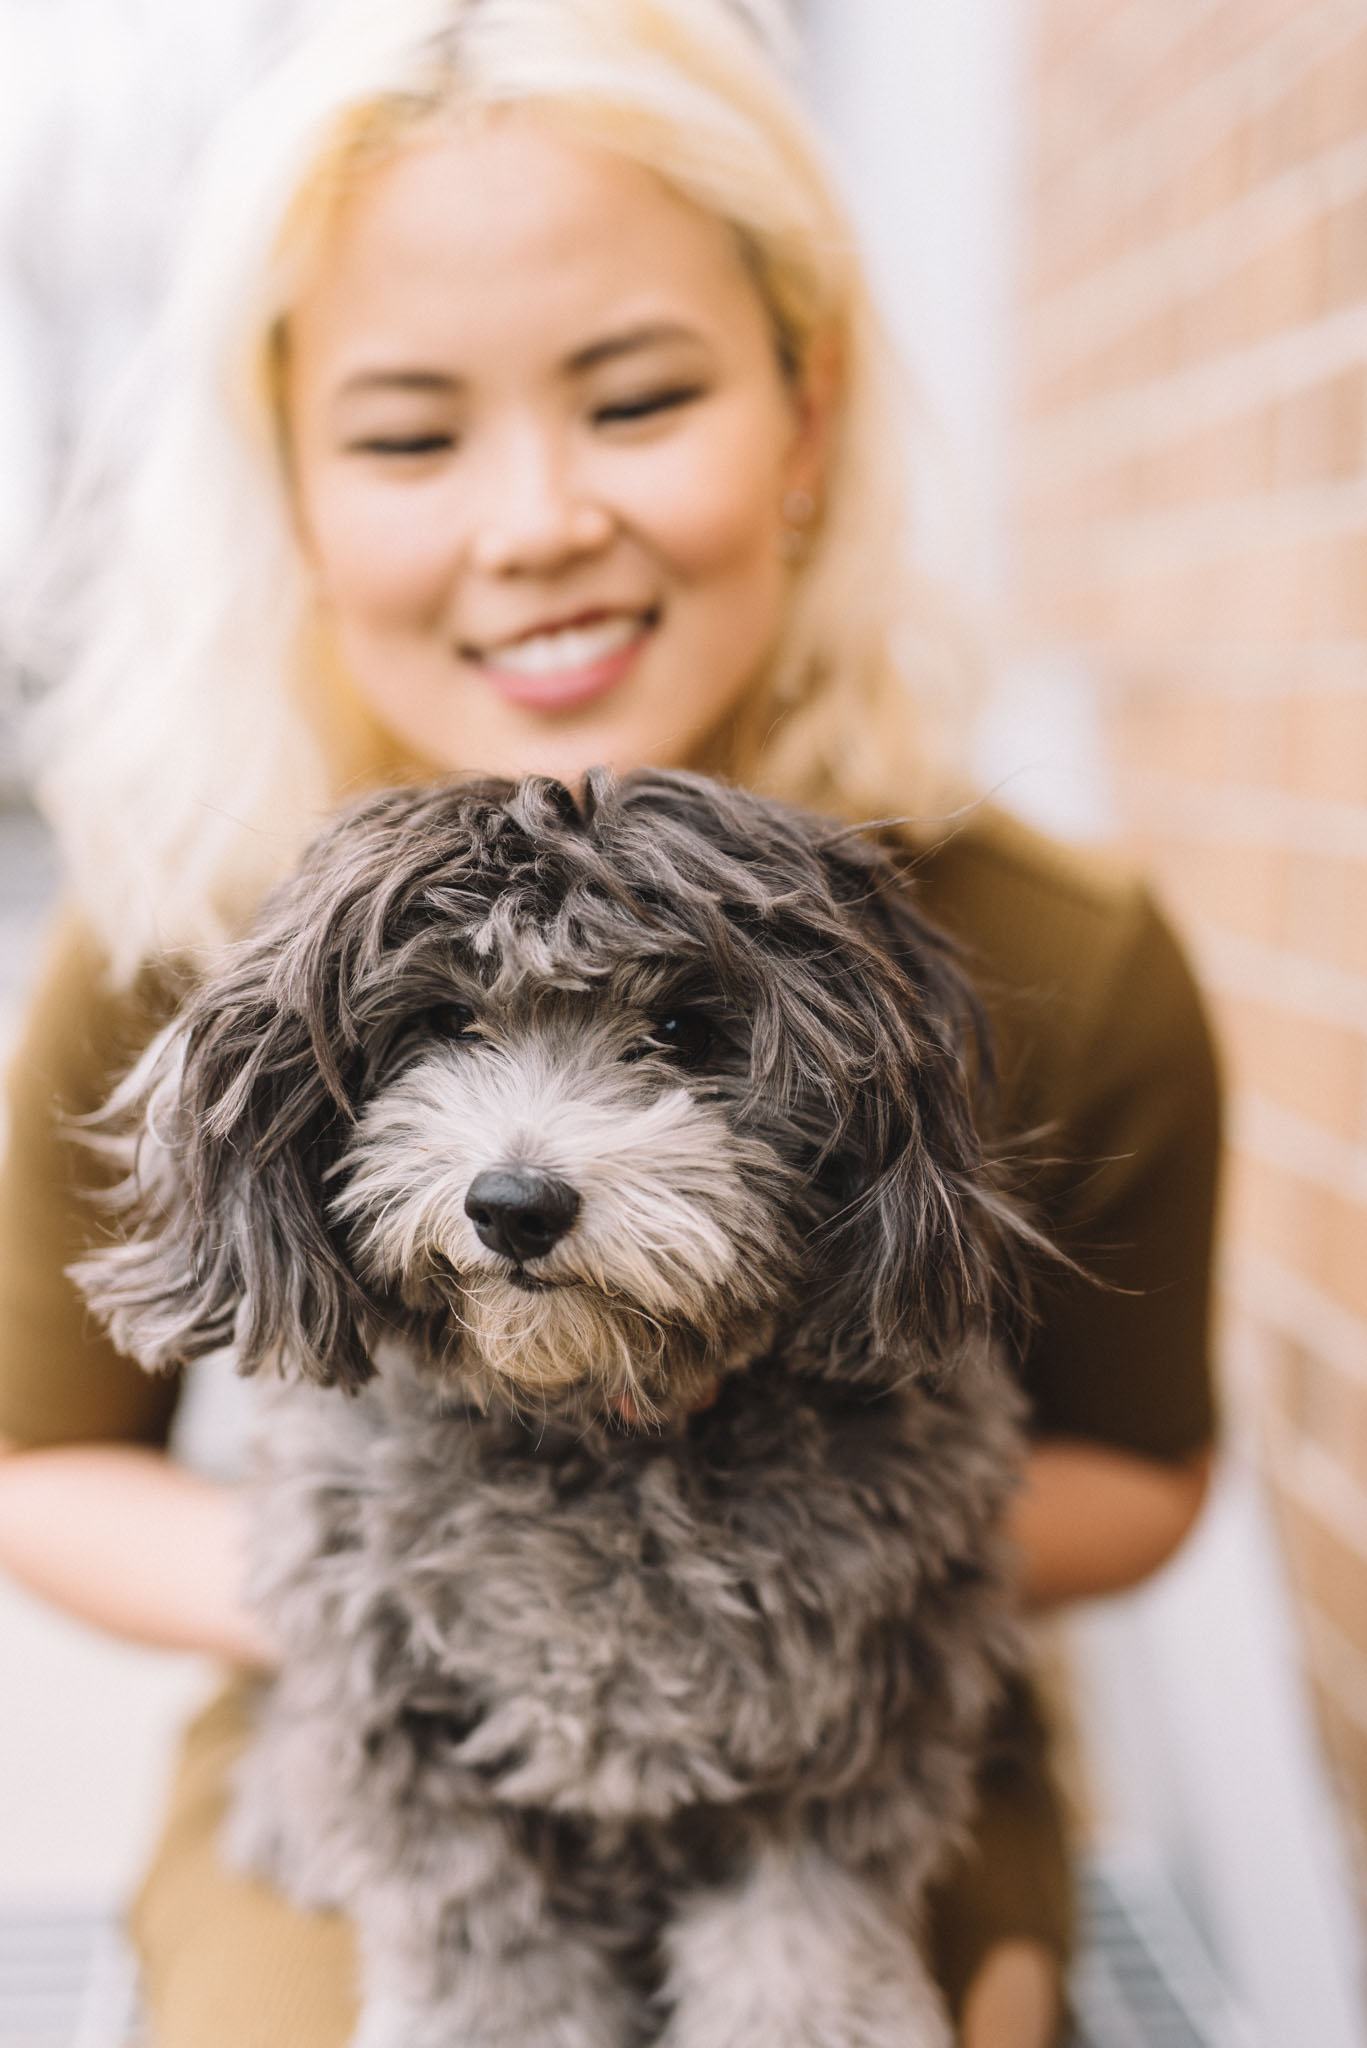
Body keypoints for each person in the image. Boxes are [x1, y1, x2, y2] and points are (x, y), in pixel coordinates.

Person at [0, 3, 1219, 2043]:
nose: (537, 519)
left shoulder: (1053, 950)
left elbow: (1143, 1469)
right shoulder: (178, 921)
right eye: (408, 433)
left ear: (804, 412)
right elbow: (38, 1459)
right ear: (290, 479)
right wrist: (446, 1591)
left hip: (862, 1711)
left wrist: (797, 1554)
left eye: (636, 397)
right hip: (379, 1730)